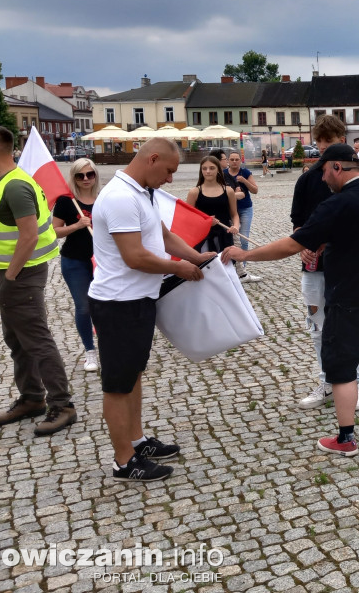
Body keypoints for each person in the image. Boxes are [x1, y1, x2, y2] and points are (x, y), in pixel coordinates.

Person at [224, 144, 359, 457]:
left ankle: (346, 439)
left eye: (324, 173)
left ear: (337, 167)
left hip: (348, 296)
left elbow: (291, 245)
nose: (322, 180)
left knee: (342, 367)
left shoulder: (337, 203)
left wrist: (245, 255)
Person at [89, 138, 214, 481]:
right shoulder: (120, 197)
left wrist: (196, 257)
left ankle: (137, 440)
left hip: (138, 300)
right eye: (169, 171)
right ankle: (124, 462)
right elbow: (134, 256)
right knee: (118, 384)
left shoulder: (142, 193)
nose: (171, 179)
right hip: (118, 303)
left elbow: (164, 236)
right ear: (152, 159)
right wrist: (178, 268)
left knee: (133, 375)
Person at [0, 124, 77, 436]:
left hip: (20, 274)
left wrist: (10, 276)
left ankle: (62, 405)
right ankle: (32, 397)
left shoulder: (14, 186)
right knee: (17, 340)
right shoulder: (7, 181)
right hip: (11, 273)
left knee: (36, 340)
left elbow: (29, 235)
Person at [291, 115, 359, 412]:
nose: (324, 148)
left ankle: (356, 384)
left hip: (347, 267)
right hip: (314, 268)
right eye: (320, 143)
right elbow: (298, 223)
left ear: (341, 141)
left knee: (349, 325)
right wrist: (302, 246)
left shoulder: (356, 179)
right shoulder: (307, 180)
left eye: (330, 142)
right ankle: (326, 382)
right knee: (318, 328)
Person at [52, 158, 101, 372]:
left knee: (104, 306)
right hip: (75, 261)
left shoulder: (103, 199)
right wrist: (77, 225)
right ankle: (90, 351)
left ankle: (108, 346)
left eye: (90, 174)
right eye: (80, 175)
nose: (86, 179)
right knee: (84, 306)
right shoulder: (66, 202)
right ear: (74, 178)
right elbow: (54, 231)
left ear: (96, 175)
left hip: (102, 261)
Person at [185, 156, 239, 253]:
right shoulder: (194, 192)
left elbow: (234, 214)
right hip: (203, 238)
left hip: (225, 236)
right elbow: (188, 218)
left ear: (218, 169)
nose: (208, 171)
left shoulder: (228, 191)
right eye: (204, 168)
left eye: (212, 168)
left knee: (226, 261)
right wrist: (205, 221)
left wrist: (235, 226)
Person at [224, 151, 260, 282]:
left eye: (236, 159)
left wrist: (244, 180)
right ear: (228, 161)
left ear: (240, 160)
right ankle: (234, 268)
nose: (234, 162)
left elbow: (255, 190)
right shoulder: (223, 173)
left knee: (244, 238)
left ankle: (242, 270)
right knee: (232, 239)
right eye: (232, 159)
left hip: (245, 209)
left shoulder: (245, 172)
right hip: (229, 210)